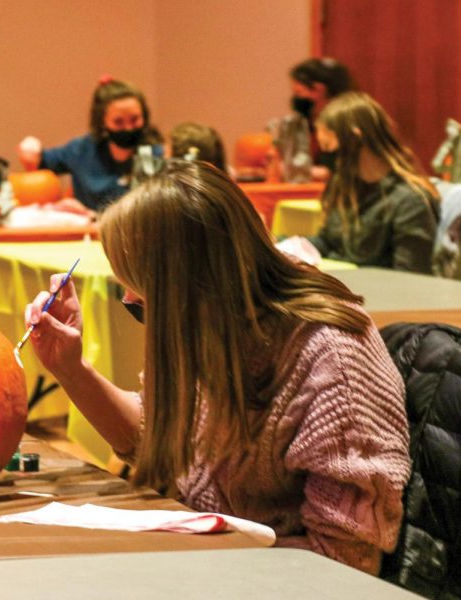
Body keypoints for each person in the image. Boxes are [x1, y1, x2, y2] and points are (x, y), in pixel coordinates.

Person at [24, 159, 411, 575]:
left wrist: (197, 564)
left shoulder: (331, 358)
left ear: (195, 288)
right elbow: (155, 438)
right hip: (209, 562)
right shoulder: (214, 325)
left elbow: (344, 561)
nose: (134, 305)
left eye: (144, 299)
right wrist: (71, 369)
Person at [306, 92, 439, 273]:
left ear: (354, 139)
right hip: (343, 290)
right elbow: (328, 242)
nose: (325, 158)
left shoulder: (410, 202)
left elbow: (410, 276)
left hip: (381, 296)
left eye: (328, 147)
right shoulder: (344, 186)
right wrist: (278, 246)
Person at [17, 77, 163, 216]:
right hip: (88, 237)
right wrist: (30, 150)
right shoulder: (81, 150)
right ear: (102, 121)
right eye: (118, 122)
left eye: (135, 119)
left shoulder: (157, 155)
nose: (128, 128)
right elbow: (40, 162)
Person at [286, 57, 357, 180]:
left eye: (298, 93)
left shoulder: (349, 124)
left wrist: (305, 171)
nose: (295, 99)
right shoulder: (307, 123)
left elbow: (347, 171)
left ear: (319, 89)